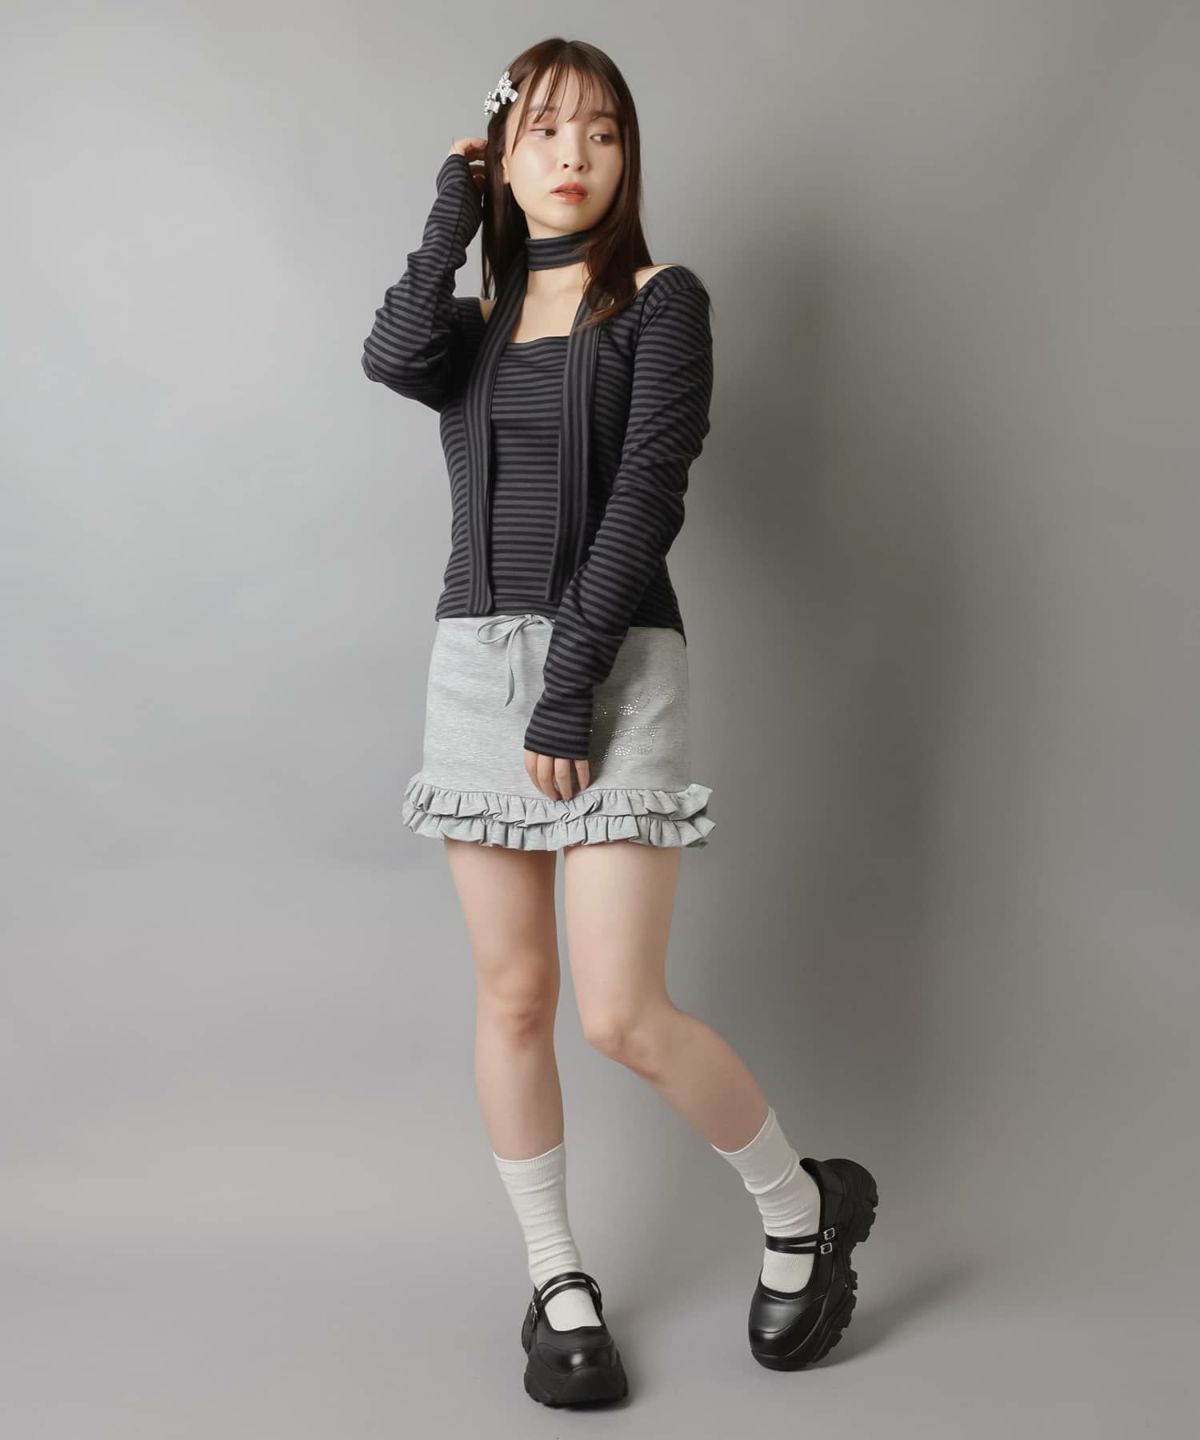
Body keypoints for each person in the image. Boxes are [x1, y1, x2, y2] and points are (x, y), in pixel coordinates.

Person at [361, 37, 878, 1409]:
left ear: (627, 157)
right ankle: (558, 1278)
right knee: (514, 996)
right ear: (504, 154)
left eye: (599, 132)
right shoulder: (469, 329)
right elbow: (390, 350)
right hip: (474, 669)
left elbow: (650, 492)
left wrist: (571, 682)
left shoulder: (662, 303)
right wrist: (452, 203)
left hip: (617, 663)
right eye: (542, 131)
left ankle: (800, 1207)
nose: (573, 156)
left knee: (623, 1012)